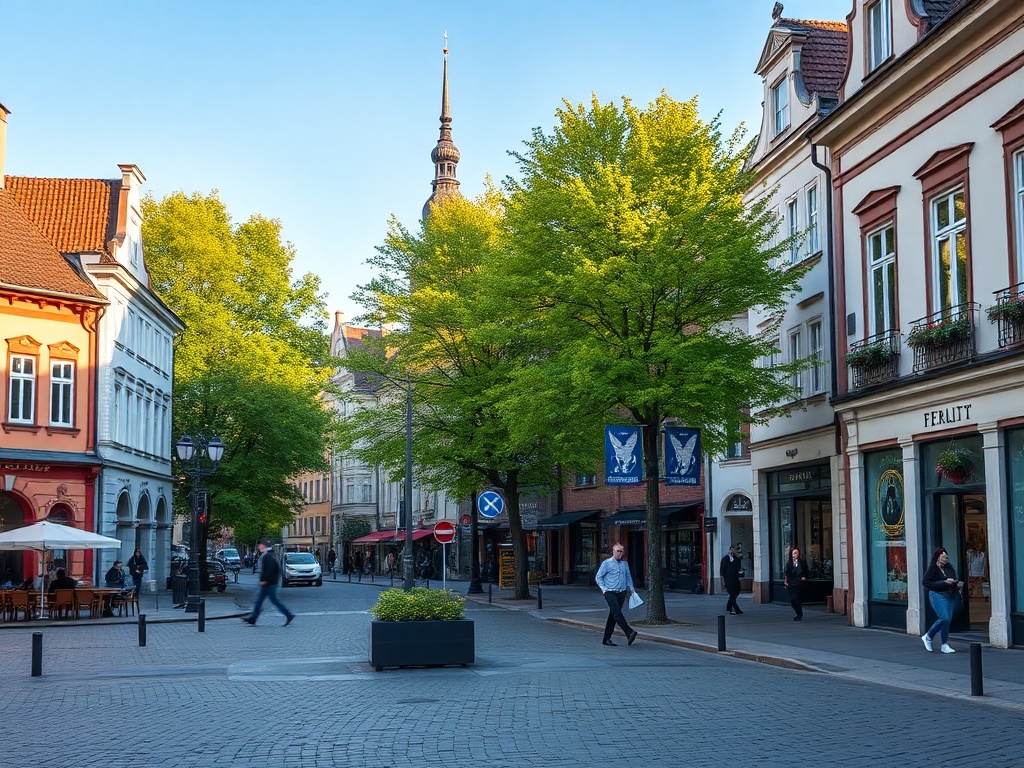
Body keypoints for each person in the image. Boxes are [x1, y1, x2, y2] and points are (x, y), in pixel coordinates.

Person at [594, 543, 639, 647]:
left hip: (621, 592)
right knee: (617, 612)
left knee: (613, 615)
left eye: (622, 551)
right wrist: (604, 589)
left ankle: (606, 639)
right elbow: (598, 577)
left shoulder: (625, 564)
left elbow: (628, 577)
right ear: (613, 551)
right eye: (618, 551)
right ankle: (629, 632)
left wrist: (631, 589)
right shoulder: (607, 563)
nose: (620, 553)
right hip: (610, 591)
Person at [921, 546, 963, 654]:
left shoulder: (949, 568)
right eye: (943, 557)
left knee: (947, 620)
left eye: (947, 557)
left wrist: (957, 584)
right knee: (944, 617)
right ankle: (928, 636)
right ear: (938, 557)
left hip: (950, 595)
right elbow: (926, 583)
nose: (945, 559)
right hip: (937, 595)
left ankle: (944, 644)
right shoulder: (933, 568)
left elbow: (953, 581)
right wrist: (943, 582)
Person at [243, 541, 295, 627]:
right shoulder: (269, 555)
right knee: (271, 601)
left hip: (268, 584)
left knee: (262, 601)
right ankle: (288, 615)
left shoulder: (267, 556)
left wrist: (265, 580)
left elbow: (269, 570)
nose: (259, 547)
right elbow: (275, 569)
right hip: (271, 583)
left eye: (260, 545)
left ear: (264, 546)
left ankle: (253, 618)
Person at [784, 548, 809, 621]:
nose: (795, 554)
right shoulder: (789, 563)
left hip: (798, 583)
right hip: (790, 583)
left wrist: (804, 577)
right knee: (791, 599)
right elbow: (786, 573)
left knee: (797, 598)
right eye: (794, 553)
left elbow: (806, 572)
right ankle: (797, 612)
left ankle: (799, 614)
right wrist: (785, 582)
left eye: (797, 553)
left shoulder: (802, 563)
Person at [720, 545, 744, 615]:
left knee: (736, 592)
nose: (733, 551)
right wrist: (723, 578)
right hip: (728, 578)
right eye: (731, 550)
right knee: (732, 593)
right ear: (729, 550)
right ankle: (735, 609)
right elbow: (722, 569)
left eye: (734, 550)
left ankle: (729, 607)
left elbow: (738, 568)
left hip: (735, 578)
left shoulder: (736, 558)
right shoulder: (725, 558)